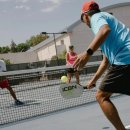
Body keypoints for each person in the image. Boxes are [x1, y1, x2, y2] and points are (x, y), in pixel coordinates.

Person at [73, 1, 130, 130]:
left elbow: (105, 30)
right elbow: (106, 61)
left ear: (86, 15)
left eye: (83, 20)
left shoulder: (97, 18)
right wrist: (93, 80)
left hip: (125, 59)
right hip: (126, 59)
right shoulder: (108, 20)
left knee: (101, 96)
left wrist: (87, 54)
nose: (86, 23)